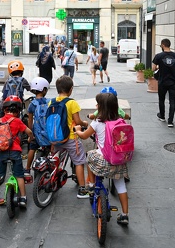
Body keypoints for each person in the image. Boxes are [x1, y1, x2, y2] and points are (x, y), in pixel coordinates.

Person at [74, 92, 130, 225]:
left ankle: (92, 185)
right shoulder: (120, 121)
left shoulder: (97, 122)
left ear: (101, 108)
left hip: (102, 160)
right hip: (118, 161)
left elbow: (84, 136)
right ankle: (125, 215)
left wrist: (77, 130)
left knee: (90, 155)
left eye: (97, 104)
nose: (96, 105)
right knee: (121, 185)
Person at [0, 95, 34, 207]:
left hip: (1, 152)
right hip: (15, 151)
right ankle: (23, 197)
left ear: (4, 109)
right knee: (19, 175)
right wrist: (30, 138)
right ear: (18, 110)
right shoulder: (18, 121)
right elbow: (29, 132)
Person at [50, 75, 89, 198]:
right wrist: (84, 123)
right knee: (79, 162)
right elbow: (77, 121)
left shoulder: (52, 101)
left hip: (55, 138)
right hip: (70, 137)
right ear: (71, 89)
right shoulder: (72, 103)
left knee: (55, 160)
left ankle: (52, 178)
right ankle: (82, 189)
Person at [152, 38, 175, 128]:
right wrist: (172, 66)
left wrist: (159, 66)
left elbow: (153, 68)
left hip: (162, 82)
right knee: (172, 101)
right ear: (169, 45)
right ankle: (170, 121)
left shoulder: (158, 56)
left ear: (163, 45)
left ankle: (162, 116)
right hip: (173, 82)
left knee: (161, 99)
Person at [25, 77, 50, 176]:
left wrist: (30, 135)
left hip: (36, 132)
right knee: (50, 149)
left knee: (32, 148)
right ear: (44, 90)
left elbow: (30, 121)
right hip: (47, 132)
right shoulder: (49, 102)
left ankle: (27, 169)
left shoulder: (32, 104)